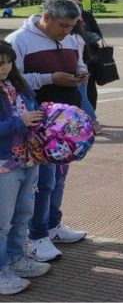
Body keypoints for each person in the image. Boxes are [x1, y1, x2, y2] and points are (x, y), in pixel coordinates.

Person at [6, 0, 88, 262]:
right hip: (38, 124)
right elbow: (12, 81)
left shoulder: (74, 39)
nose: (68, 32)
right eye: (63, 26)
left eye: (72, 26)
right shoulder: (19, 40)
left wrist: (81, 72)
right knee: (43, 182)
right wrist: (49, 78)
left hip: (66, 124)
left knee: (59, 178)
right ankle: (37, 235)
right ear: (47, 18)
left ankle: (53, 225)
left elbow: (79, 66)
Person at [0, 41, 49, 295]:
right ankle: (1, 271)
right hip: (4, 164)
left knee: (22, 215)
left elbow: (32, 111)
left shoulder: (17, 84)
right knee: (1, 221)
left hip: (29, 159)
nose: (5, 67)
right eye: (0, 63)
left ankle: (17, 259)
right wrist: (20, 122)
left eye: (8, 61)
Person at [58, 0, 103, 133]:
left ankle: (92, 122)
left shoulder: (82, 22)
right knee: (78, 97)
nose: (77, 2)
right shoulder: (62, 22)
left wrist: (85, 35)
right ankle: (84, 122)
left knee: (84, 96)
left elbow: (97, 35)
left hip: (83, 64)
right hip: (72, 66)